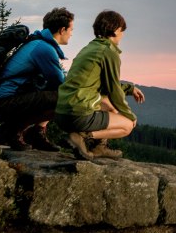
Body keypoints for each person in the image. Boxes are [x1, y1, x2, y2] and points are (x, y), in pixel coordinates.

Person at [54, 10, 144, 160]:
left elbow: (104, 86)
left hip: (62, 113)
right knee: (127, 125)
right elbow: (113, 89)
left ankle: (99, 147)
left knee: (109, 104)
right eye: (122, 31)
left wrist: (130, 88)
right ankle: (82, 136)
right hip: (77, 114)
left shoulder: (90, 48)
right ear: (116, 30)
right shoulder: (108, 52)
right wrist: (130, 115)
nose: (122, 35)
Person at [0, 7, 75, 151]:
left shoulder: (38, 43)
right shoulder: (44, 48)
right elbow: (60, 83)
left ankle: (35, 134)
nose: (71, 34)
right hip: (6, 102)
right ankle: (13, 130)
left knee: (56, 93)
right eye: (71, 29)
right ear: (62, 30)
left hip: (5, 100)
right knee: (68, 97)